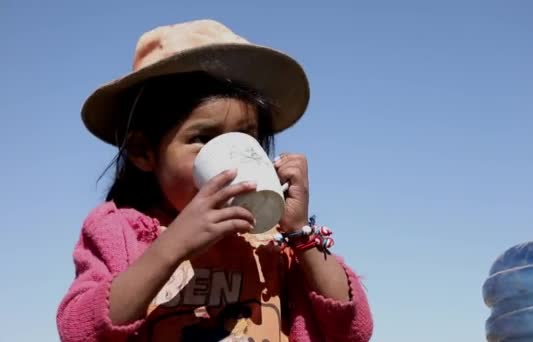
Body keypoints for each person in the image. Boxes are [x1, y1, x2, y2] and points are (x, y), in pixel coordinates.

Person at [56, 19, 373, 342]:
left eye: (247, 137)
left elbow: (352, 329)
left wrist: (299, 232)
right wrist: (171, 247)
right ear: (143, 152)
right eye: (203, 137)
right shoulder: (117, 230)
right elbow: (79, 332)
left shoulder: (274, 240)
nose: (231, 161)